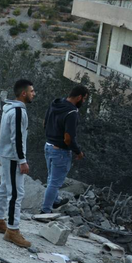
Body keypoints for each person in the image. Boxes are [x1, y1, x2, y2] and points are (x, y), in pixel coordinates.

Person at [0, 79, 37, 248]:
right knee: (16, 193)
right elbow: (16, 138)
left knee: (4, 187)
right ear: (23, 93)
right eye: (31, 91)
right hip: (12, 157)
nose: (34, 94)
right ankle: (12, 230)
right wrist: (22, 160)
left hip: (7, 155)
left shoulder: (10, 109)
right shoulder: (18, 112)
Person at [41, 84, 89, 214]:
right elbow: (68, 138)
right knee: (55, 182)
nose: (84, 102)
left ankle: (55, 200)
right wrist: (78, 151)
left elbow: (44, 123)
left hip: (48, 146)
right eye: (84, 99)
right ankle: (45, 210)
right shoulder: (72, 112)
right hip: (60, 151)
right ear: (79, 97)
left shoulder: (55, 103)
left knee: (51, 177)